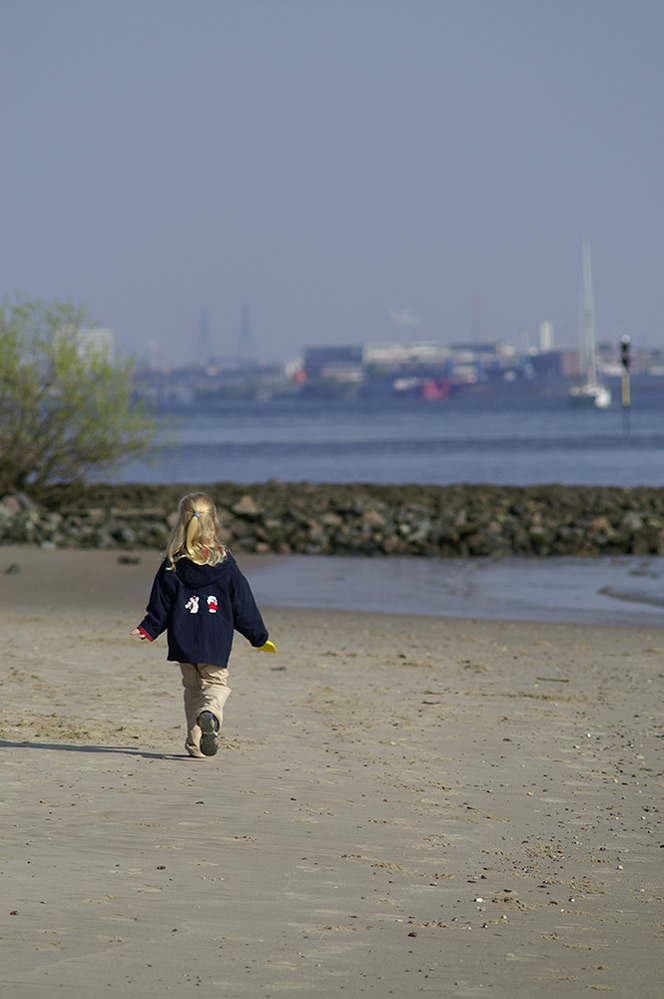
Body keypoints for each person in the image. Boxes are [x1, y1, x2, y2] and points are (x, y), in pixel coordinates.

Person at [130, 491, 275, 758]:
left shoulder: (172, 564)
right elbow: (243, 605)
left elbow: (160, 603)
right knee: (216, 685)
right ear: (214, 523)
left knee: (192, 688)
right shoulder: (225, 564)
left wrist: (148, 629)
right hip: (215, 642)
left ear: (181, 524)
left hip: (184, 640)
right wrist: (258, 637)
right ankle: (210, 713)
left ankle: (196, 744)